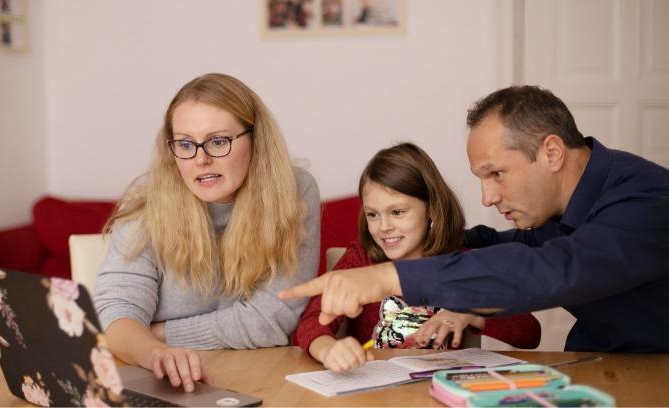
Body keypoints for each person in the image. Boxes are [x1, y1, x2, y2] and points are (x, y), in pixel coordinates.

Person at [280, 85, 669, 353]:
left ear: (551, 153)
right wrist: (422, 242)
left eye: (496, 173)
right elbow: (500, 246)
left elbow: (554, 268)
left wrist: (388, 276)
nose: (488, 196)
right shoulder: (554, 212)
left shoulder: (647, 200)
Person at [93, 73, 320, 392]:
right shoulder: (146, 197)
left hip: (260, 379)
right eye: (185, 144)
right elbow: (115, 314)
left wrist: (156, 332)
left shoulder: (295, 191)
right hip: (159, 380)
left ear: (256, 140)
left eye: (218, 141)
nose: (201, 159)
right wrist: (155, 351)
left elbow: (273, 321)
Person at [293, 143, 540, 372]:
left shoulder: (460, 265)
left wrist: (472, 312)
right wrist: (329, 349)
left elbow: (529, 333)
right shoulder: (360, 260)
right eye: (373, 214)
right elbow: (311, 323)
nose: (384, 226)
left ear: (431, 209)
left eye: (397, 212)